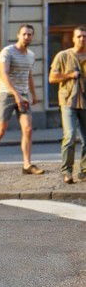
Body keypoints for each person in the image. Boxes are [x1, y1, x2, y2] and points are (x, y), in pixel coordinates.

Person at [0, 24, 43, 175]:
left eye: (30, 34)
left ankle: (27, 165)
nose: (27, 37)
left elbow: (29, 75)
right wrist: (15, 94)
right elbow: (3, 74)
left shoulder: (31, 55)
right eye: (24, 34)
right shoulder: (7, 52)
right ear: (18, 35)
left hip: (23, 95)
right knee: (1, 130)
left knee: (28, 129)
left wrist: (33, 95)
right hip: (7, 95)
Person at [48, 25, 86, 184]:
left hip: (85, 102)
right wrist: (70, 75)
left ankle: (84, 170)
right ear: (73, 38)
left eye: (85, 36)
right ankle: (67, 171)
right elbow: (52, 78)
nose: (82, 39)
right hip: (68, 102)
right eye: (79, 36)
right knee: (70, 136)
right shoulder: (63, 56)